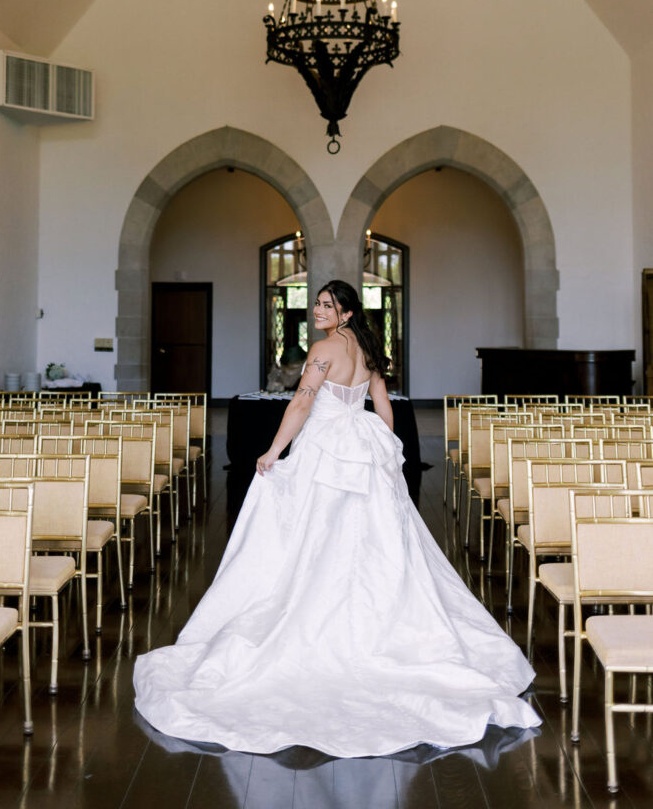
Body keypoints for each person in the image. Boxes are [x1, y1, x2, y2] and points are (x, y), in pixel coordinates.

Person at [134, 281, 541, 757]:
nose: (318, 311)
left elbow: (303, 403)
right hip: (362, 444)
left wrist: (273, 450)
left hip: (328, 447)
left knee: (314, 536)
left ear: (346, 313)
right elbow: (382, 405)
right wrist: (390, 449)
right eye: (318, 304)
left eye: (328, 305)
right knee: (371, 540)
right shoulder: (368, 349)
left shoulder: (324, 350)